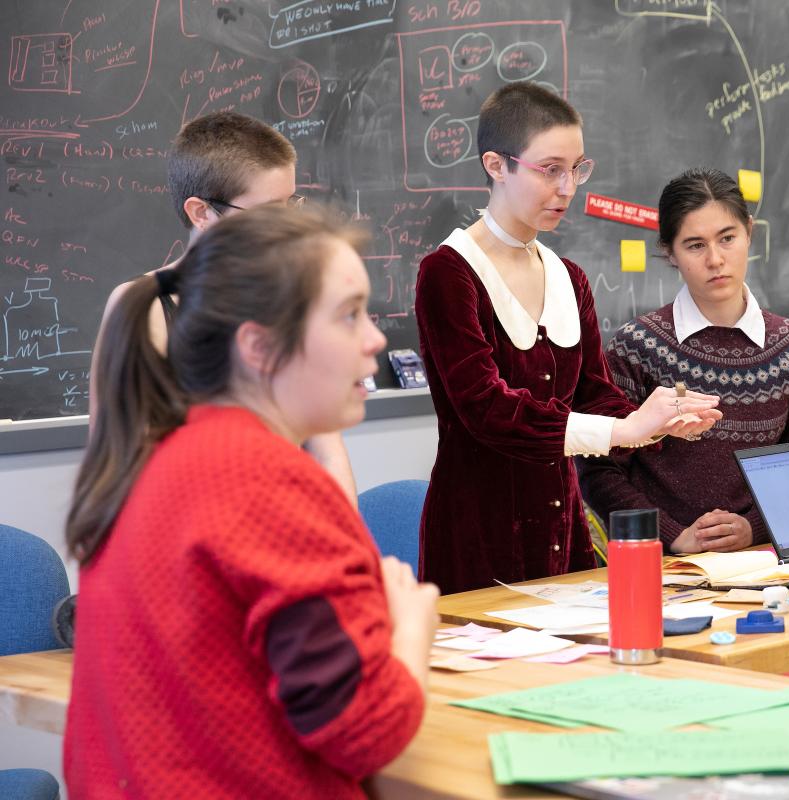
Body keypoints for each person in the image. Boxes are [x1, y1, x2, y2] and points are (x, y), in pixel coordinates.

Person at [64, 206, 439, 798]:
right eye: (348, 316)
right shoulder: (267, 479)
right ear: (259, 347)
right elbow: (365, 730)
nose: (376, 339)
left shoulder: (151, 462)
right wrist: (410, 633)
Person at [415, 83, 720, 594]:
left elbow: (593, 393)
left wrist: (658, 421)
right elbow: (488, 410)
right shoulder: (449, 273)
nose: (567, 188)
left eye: (577, 168)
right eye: (550, 169)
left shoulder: (568, 276)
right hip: (477, 539)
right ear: (496, 165)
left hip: (563, 534)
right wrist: (623, 432)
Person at [87, 111, 358, 503]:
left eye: (291, 204)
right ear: (201, 213)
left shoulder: (291, 299)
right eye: (269, 211)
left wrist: (349, 550)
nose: (286, 225)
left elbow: (328, 451)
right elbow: (118, 464)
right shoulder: (146, 309)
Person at [578, 168, 789, 553]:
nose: (716, 259)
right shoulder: (635, 347)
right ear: (670, 252)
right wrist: (672, 535)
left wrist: (755, 528)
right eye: (695, 245)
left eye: (727, 238)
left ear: (749, 232)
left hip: (764, 563)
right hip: (664, 567)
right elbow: (600, 471)